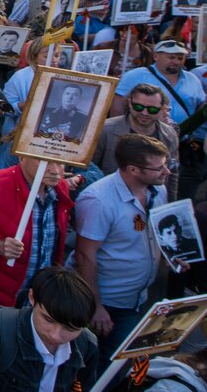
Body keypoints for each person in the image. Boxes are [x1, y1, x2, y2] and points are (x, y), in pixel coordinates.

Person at [74, 134, 170, 368]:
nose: (166, 172)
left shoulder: (158, 191)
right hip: (109, 304)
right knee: (111, 366)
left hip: (137, 298)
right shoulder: (98, 200)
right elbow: (85, 255)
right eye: (159, 168)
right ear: (133, 170)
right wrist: (96, 306)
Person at [0, 157, 74, 326]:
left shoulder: (59, 188)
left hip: (36, 296)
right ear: (23, 157)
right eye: (46, 162)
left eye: (61, 162)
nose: (56, 170)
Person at [0, 266, 99, 392]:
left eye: (70, 329)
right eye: (48, 320)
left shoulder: (87, 345)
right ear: (32, 297)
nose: (55, 335)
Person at [94, 83, 180, 199]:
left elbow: (173, 172)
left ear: (162, 109)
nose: (144, 113)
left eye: (152, 109)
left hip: (153, 199)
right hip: (111, 198)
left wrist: (170, 203)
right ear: (129, 103)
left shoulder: (169, 134)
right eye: (138, 107)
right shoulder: (105, 130)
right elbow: (90, 167)